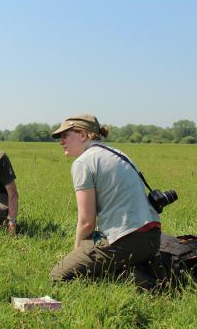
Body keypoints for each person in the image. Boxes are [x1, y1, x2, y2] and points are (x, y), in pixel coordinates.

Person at [49, 114, 161, 282]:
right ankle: (137, 270)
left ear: (83, 135)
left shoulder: (83, 162)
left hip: (127, 239)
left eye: (65, 136)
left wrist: (77, 254)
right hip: (152, 239)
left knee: (58, 275)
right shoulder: (117, 153)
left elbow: (87, 222)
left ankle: (134, 279)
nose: (61, 141)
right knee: (91, 248)